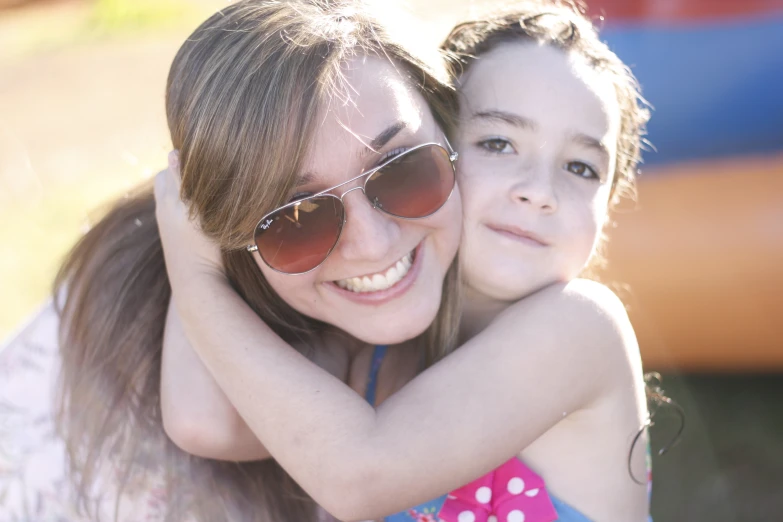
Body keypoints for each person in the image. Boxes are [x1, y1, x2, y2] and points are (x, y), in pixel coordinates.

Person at [155, 1, 653, 521]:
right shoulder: (379, 341)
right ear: (441, 142)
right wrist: (196, 216)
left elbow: (358, 478)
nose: (539, 191)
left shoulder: (581, 328)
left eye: (581, 166)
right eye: (499, 143)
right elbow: (205, 421)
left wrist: (194, 277)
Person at [0, 1, 465, 520]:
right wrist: (195, 273)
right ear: (218, 237)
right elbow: (208, 423)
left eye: (402, 168)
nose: (374, 243)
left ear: (454, 132)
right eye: (297, 218)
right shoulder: (139, 351)